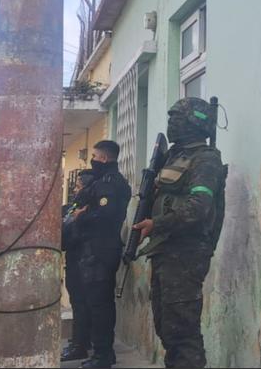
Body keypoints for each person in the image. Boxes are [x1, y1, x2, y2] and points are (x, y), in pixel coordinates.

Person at [132, 97, 227, 369]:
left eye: (177, 118)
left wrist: (157, 224)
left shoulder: (206, 159)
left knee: (182, 331)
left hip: (186, 255)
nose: (172, 123)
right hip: (166, 251)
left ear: (194, 123)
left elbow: (198, 208)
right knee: (166, 326)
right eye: (171, 117)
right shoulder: (174, 156)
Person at [72, 140, 131, 368]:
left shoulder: (109, 183)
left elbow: (106, 215)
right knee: (98, 304)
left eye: (95, 156)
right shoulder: (105, 181)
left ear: (104, 158)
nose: (93, 160)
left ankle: (102, 356)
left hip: (101, 250)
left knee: (100, 306)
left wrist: (82, 217)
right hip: (98, 250)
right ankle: (102, 354)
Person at [61, 170, 96, 363]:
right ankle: (80, 341)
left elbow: (72, 234)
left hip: (83, 262)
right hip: (75, 260)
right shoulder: (75, 207)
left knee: (82, 305)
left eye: (78, 186)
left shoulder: (87, 210)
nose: (75, 190)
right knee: (79, 304)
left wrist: (74, 219)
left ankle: (79, 345)